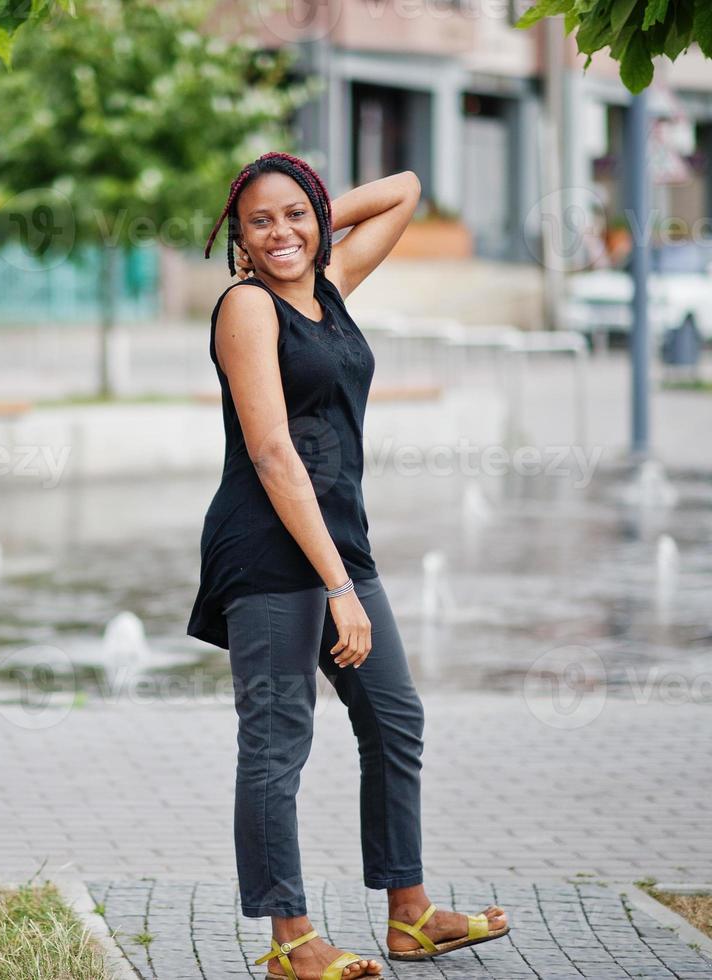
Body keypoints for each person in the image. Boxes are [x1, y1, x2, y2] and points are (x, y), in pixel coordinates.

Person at [187, 152, 511, 979]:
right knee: (277, 742)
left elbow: (405, 189)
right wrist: (338, 588)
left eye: (295, 214)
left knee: (394, 717)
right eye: (258, 221)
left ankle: (409, 914)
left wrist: (312, 219)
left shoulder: (325, 287)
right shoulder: (246, 307)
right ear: (238, 240)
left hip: (337, 541)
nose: (281, 231)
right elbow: (269, 451)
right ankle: (289, 938)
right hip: (266, 551)